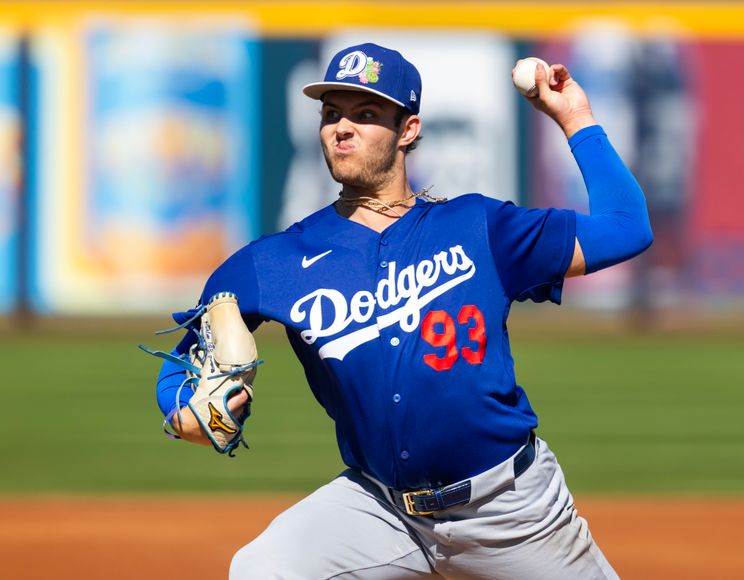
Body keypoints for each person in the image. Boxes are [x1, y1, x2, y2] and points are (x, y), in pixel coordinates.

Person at [154, 42, 652, 579]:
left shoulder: (478, 229)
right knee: (261, 569)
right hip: (381, 509)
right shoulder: (271, 264)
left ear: (408, 130)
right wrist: (184, 411)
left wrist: (574, 116)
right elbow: (181, 365)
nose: (342, 127)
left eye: (366, 114)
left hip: (511, 512)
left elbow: (628, 227)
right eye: (331, 114)